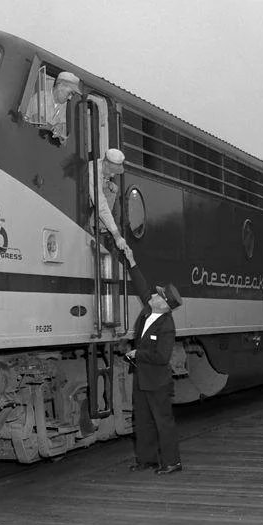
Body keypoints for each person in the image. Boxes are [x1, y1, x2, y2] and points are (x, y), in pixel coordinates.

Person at [122, 247, 183, 475]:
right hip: (143, 378)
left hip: (157, 381)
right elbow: (141, 285)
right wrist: (131, 261)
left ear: (164, 304)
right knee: (143, 421)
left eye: (158, 295)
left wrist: (138, 354)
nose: (153, 295)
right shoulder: (150, 309)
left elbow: (162, 357)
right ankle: (146, 460)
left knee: (163, 422)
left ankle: (172, 462)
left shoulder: (167, 326)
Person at [90, 148, 130, 256]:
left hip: (92, 199)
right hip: (83, 206)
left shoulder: (101, 166)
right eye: (112, 171)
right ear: (106, 164)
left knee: (113, 188)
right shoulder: (92, 172)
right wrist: (117, 235)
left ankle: (102, 226)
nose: (113, 175)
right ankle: (94, 226)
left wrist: (107, 184)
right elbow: (101, 205)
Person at [23, 71, 81, 144]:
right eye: (70, 93)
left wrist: (61, 128)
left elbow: (65, 135)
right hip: (27, 141)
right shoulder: (41, 97)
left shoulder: (64, 107)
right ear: (60, 86)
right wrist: (53, 128)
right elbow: (36, 120)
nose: (70, 98)